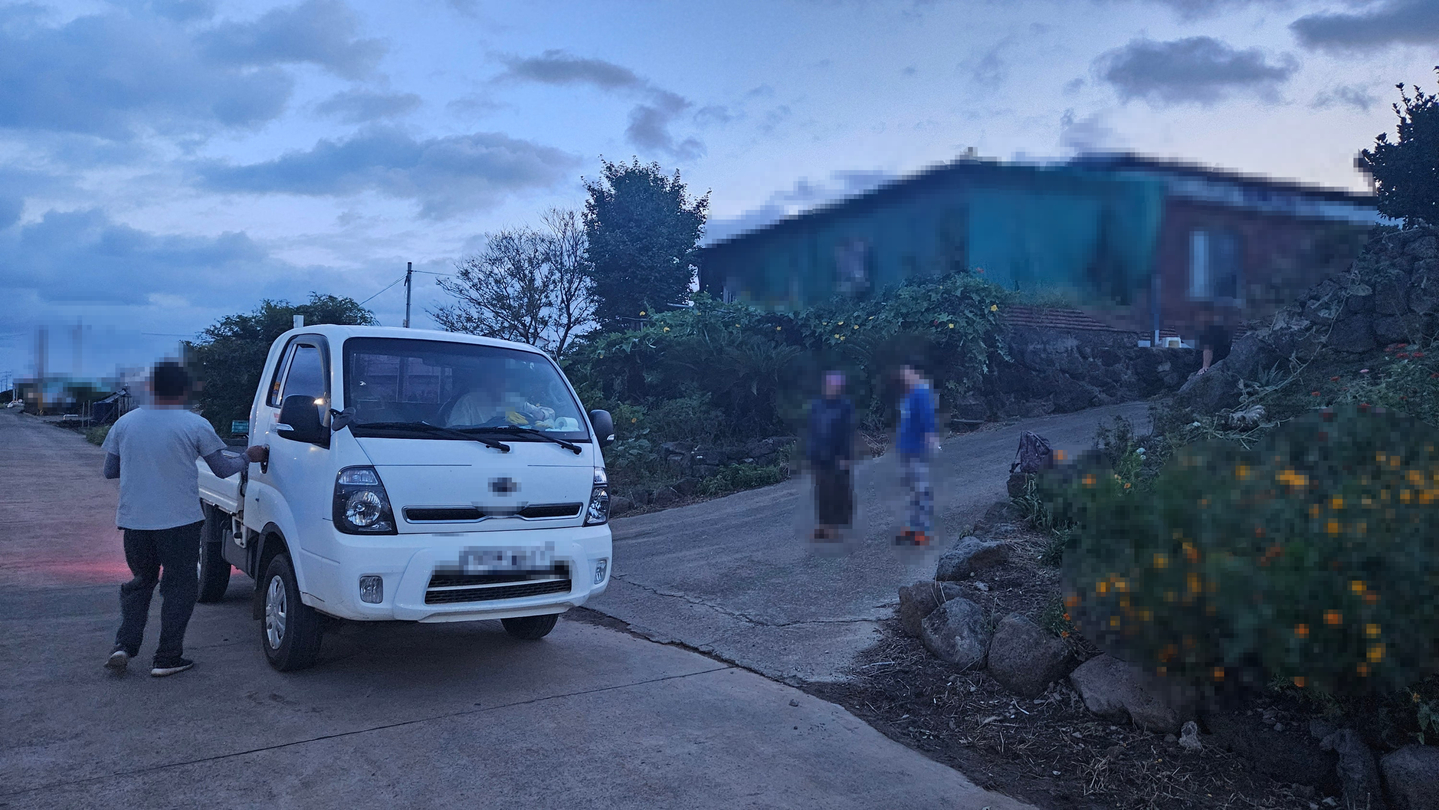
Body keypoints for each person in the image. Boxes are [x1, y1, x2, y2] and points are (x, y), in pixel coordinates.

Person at [101, 362, 267, 677]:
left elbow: (110, 471)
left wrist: (142, 464)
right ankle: (167, 658)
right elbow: (222, 469)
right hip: (179, 523)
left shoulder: (125, 423)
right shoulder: (194, 424)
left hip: (135, 522)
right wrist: (249, 457)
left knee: (140, 583)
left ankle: (123, 646)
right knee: (178, 588)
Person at [807, 371, 855, 541]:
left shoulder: (845, 406)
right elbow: (812, 431)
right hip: (819, 455)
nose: (832, 388)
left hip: (837, 455)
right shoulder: (817, 405)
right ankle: (823, 525)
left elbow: (847, 434)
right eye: (829, 385)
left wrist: (846, 457)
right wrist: (810, 454)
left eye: (836, 386)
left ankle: (835, 527)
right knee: (821, 491)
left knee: (837, 491)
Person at [895, 363, 939, 546]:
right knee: (910, 489)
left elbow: (928, 420)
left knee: (920, 489)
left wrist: (930, 440)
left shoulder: (921, 392)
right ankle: (913, 526)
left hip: (917, 449)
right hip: (905, 448)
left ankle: (924, 530)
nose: (904, 378)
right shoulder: (908, 394)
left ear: (915, 373)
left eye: (907, 374)